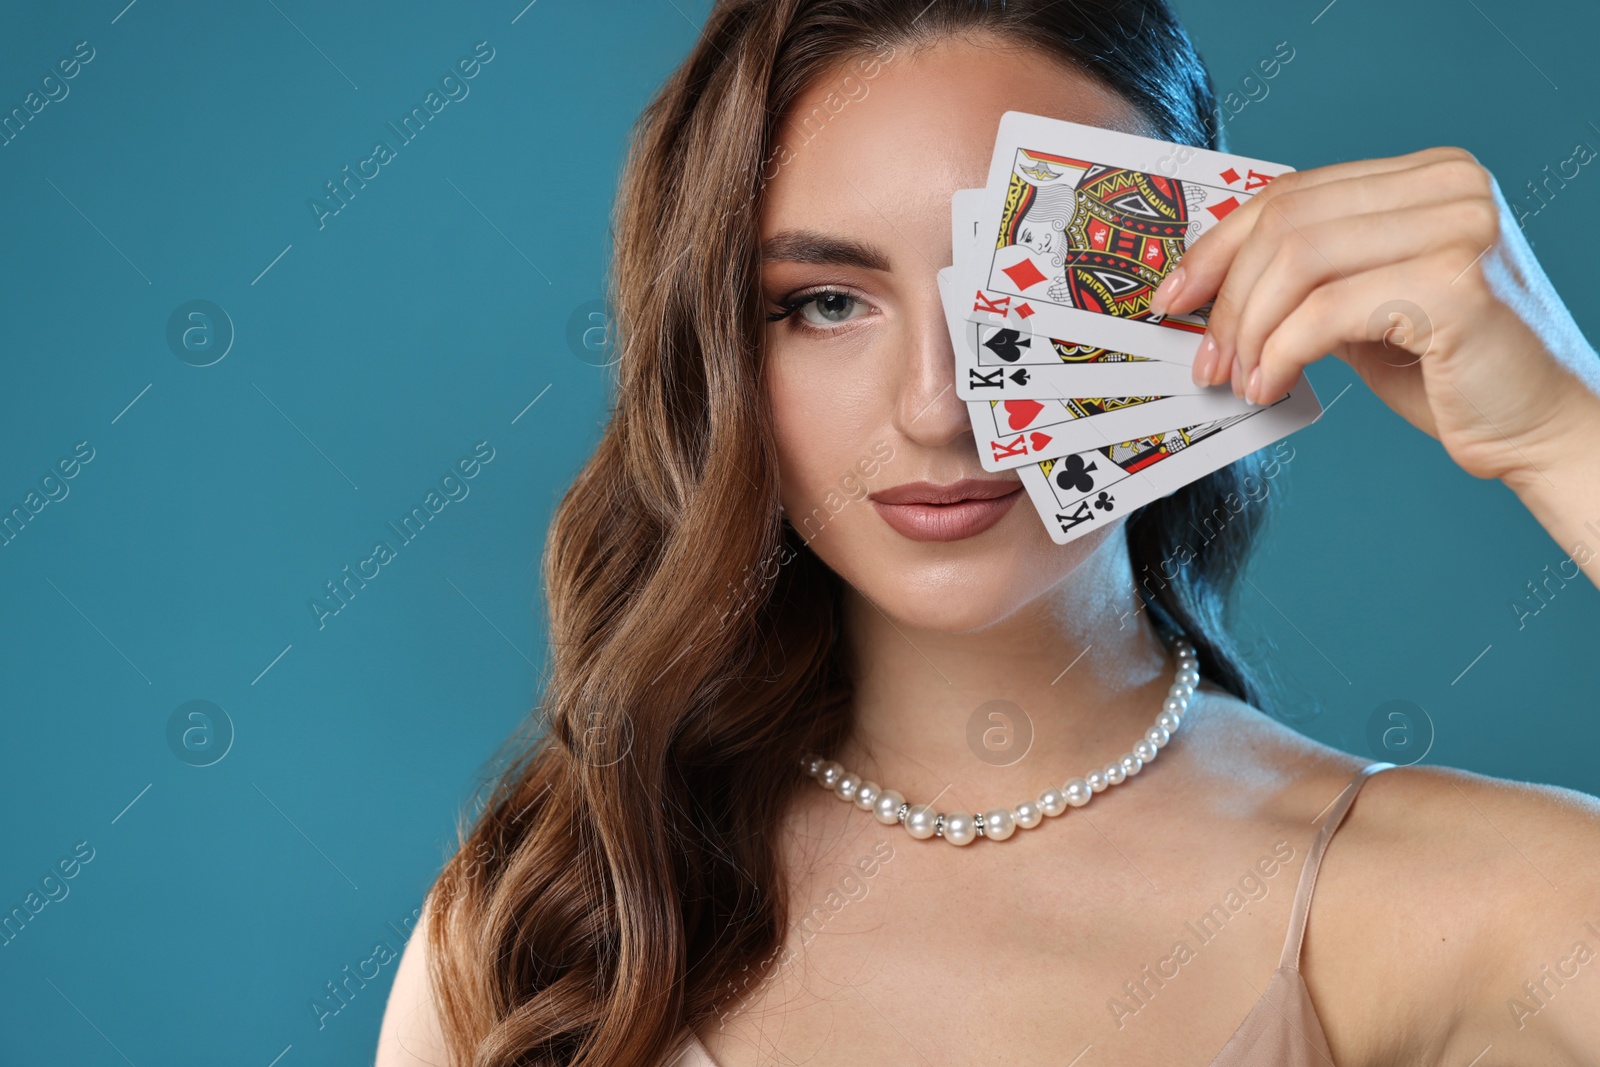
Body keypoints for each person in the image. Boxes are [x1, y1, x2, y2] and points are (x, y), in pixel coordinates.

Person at [375, 2, 1600, 1065]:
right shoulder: (557, 906)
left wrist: (1562, 430)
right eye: (824, 303)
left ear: (1199, 273)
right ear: (717, 352)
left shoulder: (1440, 897)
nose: (939, 403)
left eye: (1015, 286)